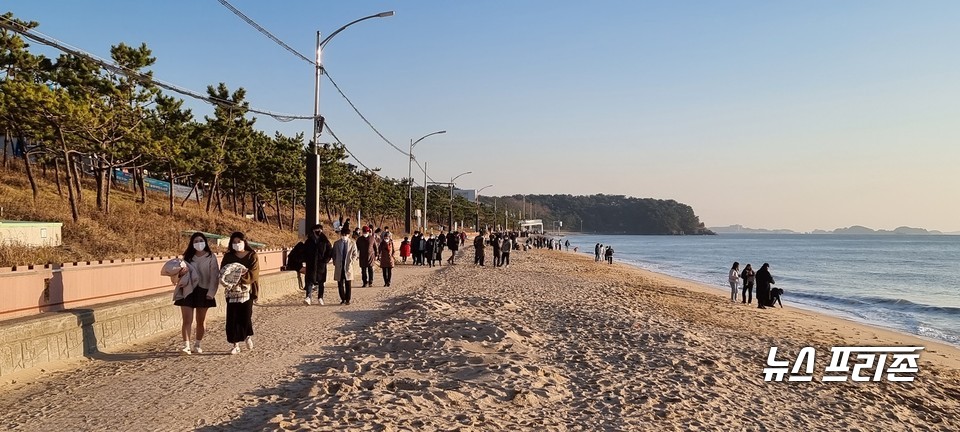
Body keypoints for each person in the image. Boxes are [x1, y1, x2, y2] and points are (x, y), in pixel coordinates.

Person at [173, 232, 220, 354]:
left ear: (205, 242)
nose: (198, 243)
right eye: (195, 241)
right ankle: (186, 345)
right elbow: (176, 275)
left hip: (204, 291)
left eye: (201, 240)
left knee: (201, 320)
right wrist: (181, 273)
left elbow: (214, 277)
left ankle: (197, 344)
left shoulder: (211, 257)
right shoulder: (187, 257)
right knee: (187, 319)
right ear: (192, 244)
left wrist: (211, 293)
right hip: (188, 290)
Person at [221, 232, 259, 355]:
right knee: (232, 318)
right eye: (234, 242)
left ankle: (247, 335)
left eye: (239, 242)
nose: (237, 244)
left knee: (246, 316)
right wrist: (234, 276)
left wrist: (239, 277)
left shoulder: (252, 255)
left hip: (247, 291)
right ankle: (235, 344)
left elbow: (253, 274)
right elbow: (224, 272)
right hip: (231, 292)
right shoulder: (228, 257)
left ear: (244, 242)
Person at [303, 224, 333, 306]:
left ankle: (320, 297)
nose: (318, 231)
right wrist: (306, 260)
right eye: (317, 230)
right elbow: (305, 252)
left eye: (320, 230)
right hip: (311, 264)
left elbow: (330, 252)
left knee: (321, 282)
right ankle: (308, 297)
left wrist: (325, 260)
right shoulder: (309, 241)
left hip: (321, 265)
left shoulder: (325, 241)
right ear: (313, 231)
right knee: (309, 281)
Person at [333, 227, 359, 305]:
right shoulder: (336, 243)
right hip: (339, 266)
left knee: (348, 283)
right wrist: (335, 261)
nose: (344, 236)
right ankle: (342, 298)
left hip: (347, 265)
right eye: (343, 234)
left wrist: (352, 261)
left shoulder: (352, 243)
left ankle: (348, 299)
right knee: (340, 283)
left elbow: (355, 254)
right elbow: (333, 254)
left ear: (348, 235)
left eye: (346, 234)